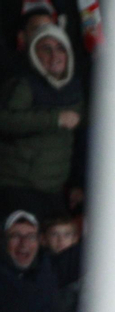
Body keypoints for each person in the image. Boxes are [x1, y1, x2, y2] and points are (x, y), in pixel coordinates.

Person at [0, 21, 83, 221]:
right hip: (18, 186)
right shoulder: (23, 83)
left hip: (53, 190)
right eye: (46, 49)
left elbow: (80, 139)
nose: (55, 56)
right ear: (34, 55)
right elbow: (6, 121)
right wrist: (54, 119)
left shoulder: (74, 87)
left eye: (60, 48)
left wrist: (77, 183)